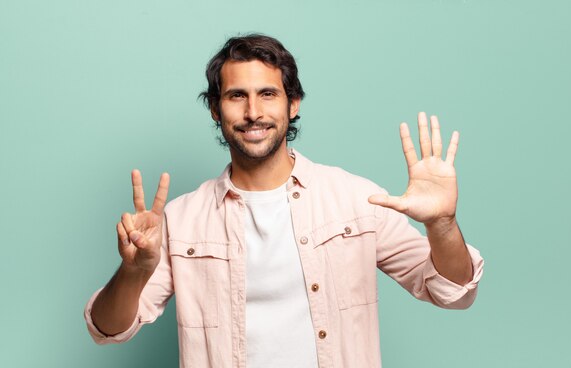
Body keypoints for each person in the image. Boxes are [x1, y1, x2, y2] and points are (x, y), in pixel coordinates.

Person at [84, 34, 484, 368]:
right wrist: (134, 271)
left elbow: (453, 291)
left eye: (268, 94)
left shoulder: (355, 199)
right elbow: (108, 329)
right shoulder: (182, 218)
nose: (253, 112)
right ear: (215, 108)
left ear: (293, 103)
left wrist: (442, 225)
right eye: (237, 95)